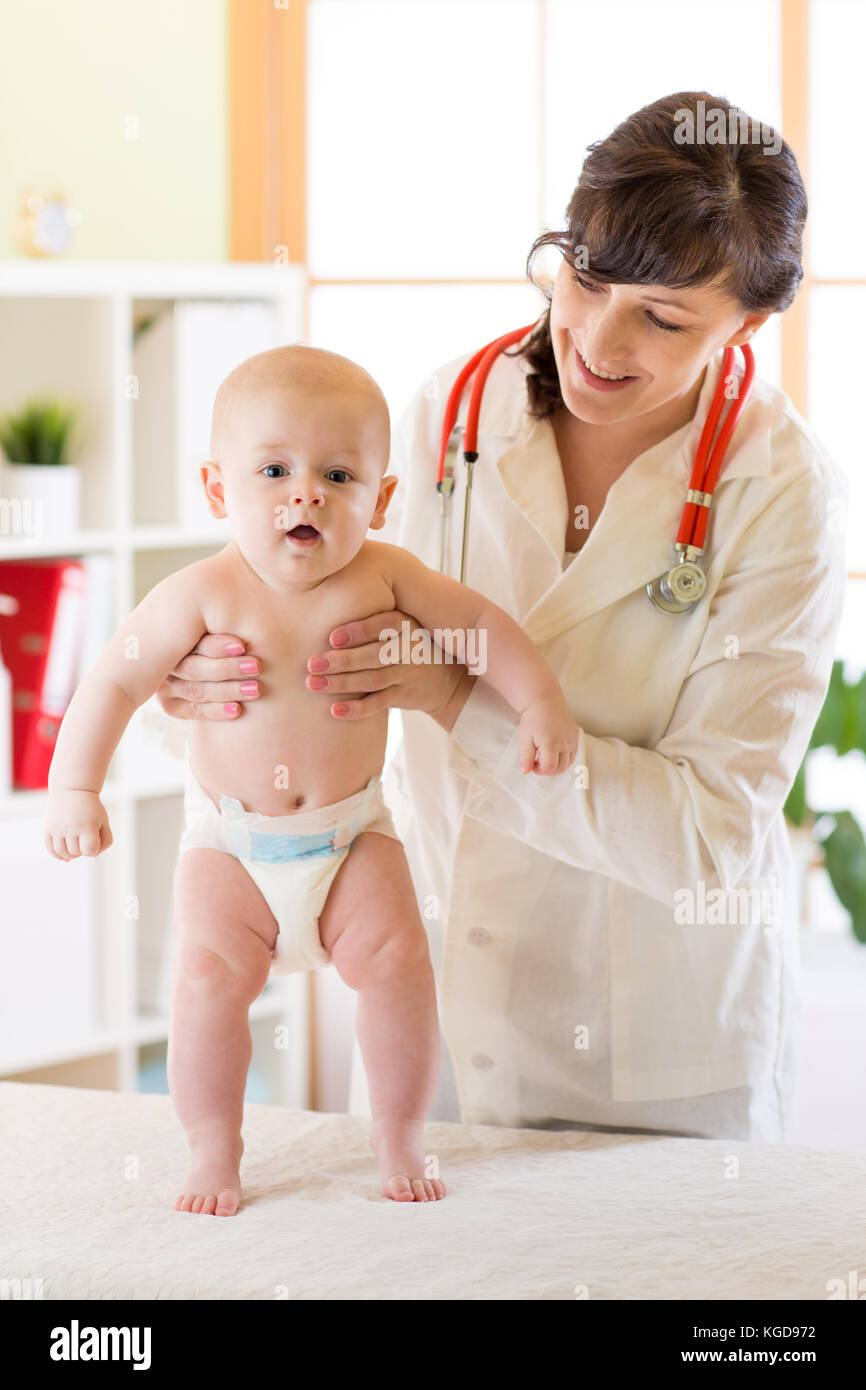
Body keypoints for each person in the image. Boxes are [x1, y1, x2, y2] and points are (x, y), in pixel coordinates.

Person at [152, 91, 849, 1143]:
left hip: (656, 1057)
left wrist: (447, 694)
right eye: (583, 275)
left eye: (661, 318)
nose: (595, 340)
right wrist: (192, 681)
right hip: (438, 1011)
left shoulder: (780, 491)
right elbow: (295, 616)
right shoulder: (448, 411)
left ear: (748, 322)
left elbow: (710, 835)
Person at [43, 343, 580, 1213]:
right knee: (206, 982)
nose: (307, 494)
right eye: (274, 470)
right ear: (219, 490)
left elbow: (480, 626)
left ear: (382, 498)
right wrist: (77, 787)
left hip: (351, 835)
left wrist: (539, 702)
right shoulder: (201, 591)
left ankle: (400, 1135)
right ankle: (214, 1147)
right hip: (232, 846)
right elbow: (112, 677)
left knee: (402, 962)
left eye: (338, 473)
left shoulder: (386, 577)